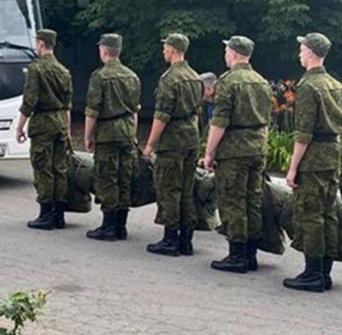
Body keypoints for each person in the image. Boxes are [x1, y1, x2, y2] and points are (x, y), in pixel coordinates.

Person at [283, 33, 342, 292]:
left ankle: (312, 273)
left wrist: (293, 167)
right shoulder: (336, 85)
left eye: (301, 49)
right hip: (331, 154)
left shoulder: (308, 86)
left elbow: (304, 133)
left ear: (310, 52)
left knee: (310, 215)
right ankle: (324, 272)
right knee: (328, 213)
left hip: (313, 158)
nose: (299, 54)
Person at [204, 36, 272, 273]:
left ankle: (237, 254)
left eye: (226, 50)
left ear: (232, 53)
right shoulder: (261, 81)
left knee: (233, 200)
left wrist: (209, 152)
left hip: (234, 150)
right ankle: (251, 253)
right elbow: (266, 121)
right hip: (257, 148)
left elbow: (219, 122)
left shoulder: (228, 82)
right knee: (252, 200)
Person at [143, 33, 204, 256]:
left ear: (173, 50)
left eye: (166, 47)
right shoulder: (195, 77)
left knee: (169, 188)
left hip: (172, 141)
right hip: (190, 138)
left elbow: (161, 116)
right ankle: (186, 240)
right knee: (187, 189)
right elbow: (197, 113)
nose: (163, 51)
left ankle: (170, 240)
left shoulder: (169, 79)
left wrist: (150, 145)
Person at [84, 33, 141, 242]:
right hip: (126, 130)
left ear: (105, 51)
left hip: (107, 132)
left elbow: (92, 111)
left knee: (107, 178)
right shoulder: (132, 76)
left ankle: (108, 227)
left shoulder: (99, 77)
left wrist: (88, 136)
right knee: (124, 177)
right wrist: (133, 134)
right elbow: (135, 110)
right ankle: (121, 226)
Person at [17, 28, 73, 231]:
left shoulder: (36, 69)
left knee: (43, 168)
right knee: (60, 168)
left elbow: (29, 101)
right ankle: (59, 214)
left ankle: (46, 214)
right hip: (60, 122)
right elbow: (68, 104)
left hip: (43, 123)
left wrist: (19, 127)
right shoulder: (64, 71)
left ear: (41, 44)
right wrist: (66, 129)